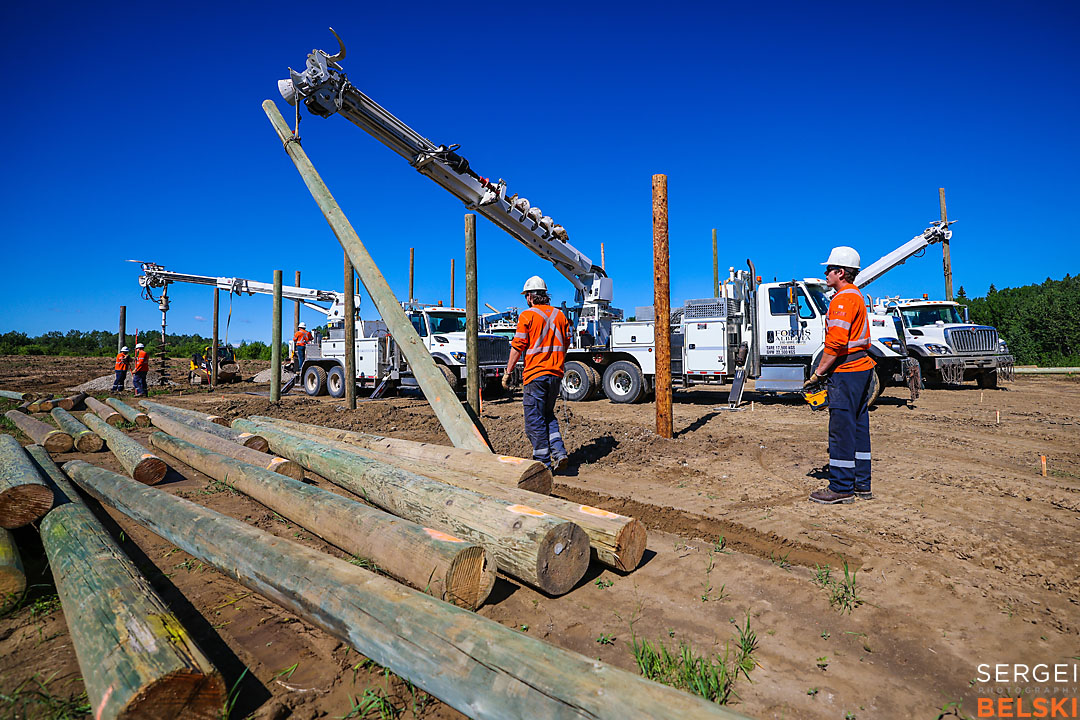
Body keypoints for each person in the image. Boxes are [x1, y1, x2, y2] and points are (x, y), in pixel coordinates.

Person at [805, 246, 875, 504]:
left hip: (846, 371)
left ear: (841, 272)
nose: (825, 273)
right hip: (862, 369)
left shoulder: (842, 299)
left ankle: (841, 487)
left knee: (841, 429)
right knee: (858, 427)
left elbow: (834, 344)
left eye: (829, 269)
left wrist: (818, 373)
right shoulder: (857, 296)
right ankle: (861, 484)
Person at [502, 276, 570, 472]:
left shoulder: (527, 316)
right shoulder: (560, 316)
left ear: (530, 297)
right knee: (548, 415)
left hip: (535, 376)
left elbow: (517, 346)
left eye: (526, 296)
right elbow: (566, 344)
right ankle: (559, 452)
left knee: (534, 420)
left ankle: (542, 463)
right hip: (555, 375)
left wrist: (508, 372)